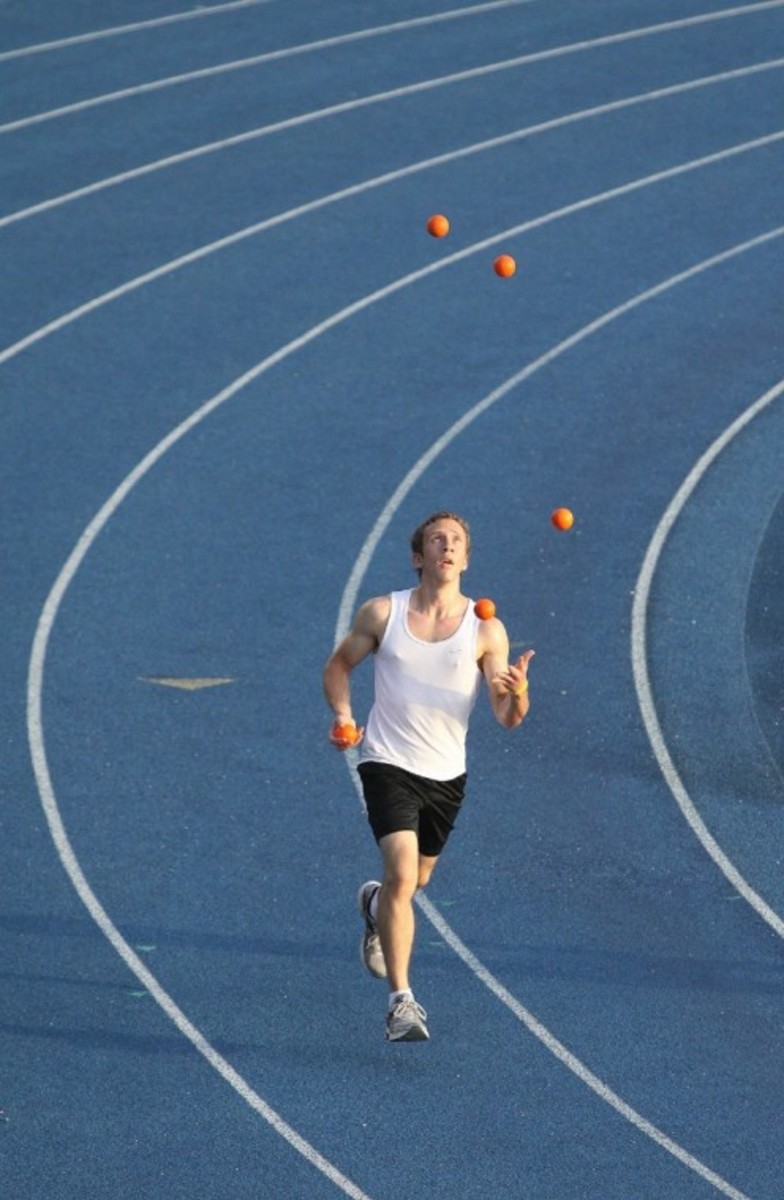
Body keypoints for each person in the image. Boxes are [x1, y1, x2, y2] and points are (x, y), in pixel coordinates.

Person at [323, 511, 534, 1042]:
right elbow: (338, 666)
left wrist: (518, 691)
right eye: (437, 539)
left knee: (415, 882)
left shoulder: (486, 630)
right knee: (400, 873)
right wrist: (346, 717)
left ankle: (373, 906)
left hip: (446, 776)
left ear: (465, 559)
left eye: (456, 541)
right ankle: (402, 1003)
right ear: (420, 558)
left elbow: (507, 719)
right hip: (386, 761)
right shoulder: (382, 613)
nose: (447, 546)